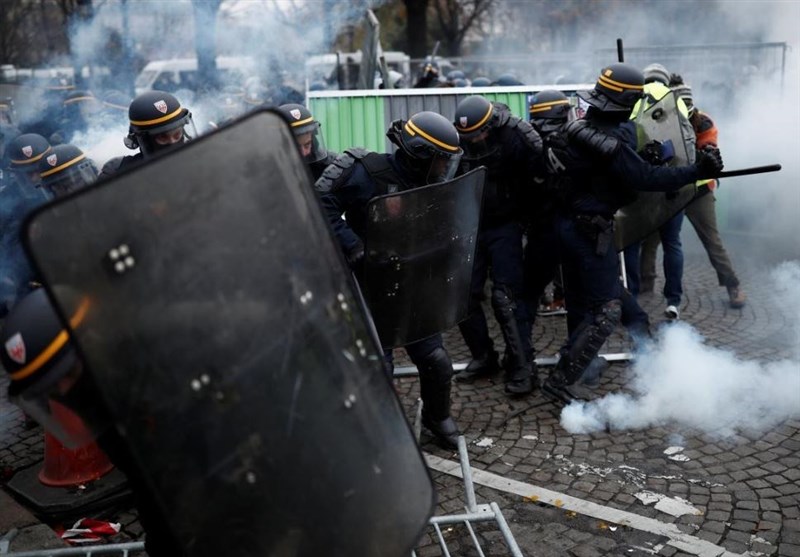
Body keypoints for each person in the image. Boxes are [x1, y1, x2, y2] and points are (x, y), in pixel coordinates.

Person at [539, 63, 723, 402]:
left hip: (567, 226)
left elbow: (616, 171)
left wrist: (641, 159)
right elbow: (644, 180)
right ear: (627, 101)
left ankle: (583, 365)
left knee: (582, 303)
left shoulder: (581, 126)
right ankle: (562, 380)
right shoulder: (608, 142)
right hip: (589, 231)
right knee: (606, 307)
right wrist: (697, 170)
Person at [315, 111, 464, 449]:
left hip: (412, 284)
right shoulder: (366, 171)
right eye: (441, 160)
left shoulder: (431, 183)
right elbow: (320, 201)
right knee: (377, 371)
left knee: (436, 361)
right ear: (422, 154)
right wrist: (353, 245)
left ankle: (437, 418)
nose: (445, 168)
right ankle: (379, 436)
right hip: (369, 286)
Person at [1, 289, 184, 556]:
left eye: (70, 373)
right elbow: (150, 495)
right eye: (52, 391)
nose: (68, 395)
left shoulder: (166, 372)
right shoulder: (105, 417)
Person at [450, 95, 543, 396]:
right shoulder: (460, 142)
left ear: (489, 126)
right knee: (463, 296)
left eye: (478, 134)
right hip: (473, 225)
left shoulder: (517, 136)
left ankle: (521, 363)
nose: (474, 141)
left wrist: (531, 221)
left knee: (506, 297)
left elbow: (540, 177)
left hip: (507, 224)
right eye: (469, 136)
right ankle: (484, 356)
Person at [623, 63, 696, 320]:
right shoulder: (677, 102)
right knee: (672, 243)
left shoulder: (635, 100)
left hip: (641, 184)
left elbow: (627, 143)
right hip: (673, 185)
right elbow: (688, 143)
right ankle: (673, 301)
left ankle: (629, 298)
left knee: (631, 242)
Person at [673, 82, 746, 308]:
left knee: (712, 241)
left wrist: (703, 154)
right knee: (651, 240)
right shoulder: (661, 120)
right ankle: (644, 285)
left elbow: (709, 151)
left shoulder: (703, 122)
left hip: (699, 190)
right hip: (671, 187)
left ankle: (733, 285)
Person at [1, 133, 51, 316]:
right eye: (27, 173)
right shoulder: (4, 202)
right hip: (26, 283)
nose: (35, 177)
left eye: (38, 169)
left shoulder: (63, 182)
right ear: (16, 174)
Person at [98, 90, 196, 179]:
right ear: (144, 141)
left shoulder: (200, 157)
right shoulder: (119, 173)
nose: (173, 142)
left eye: (177, 134)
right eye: (163, 137)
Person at [277, 103, 336, 181]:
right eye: (296, 147)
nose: (304, 153)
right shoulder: (268, 173)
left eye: (307, 145)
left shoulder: (330, 165)